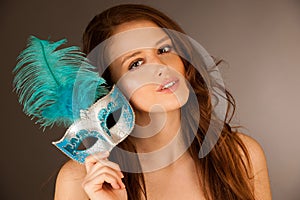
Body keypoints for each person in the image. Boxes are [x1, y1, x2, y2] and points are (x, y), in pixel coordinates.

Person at [54, 4, 271, 200]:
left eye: (164, 50)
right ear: (111, 88)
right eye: (136, 63)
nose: (160, 66)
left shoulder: (242, 156)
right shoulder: (79, 181)